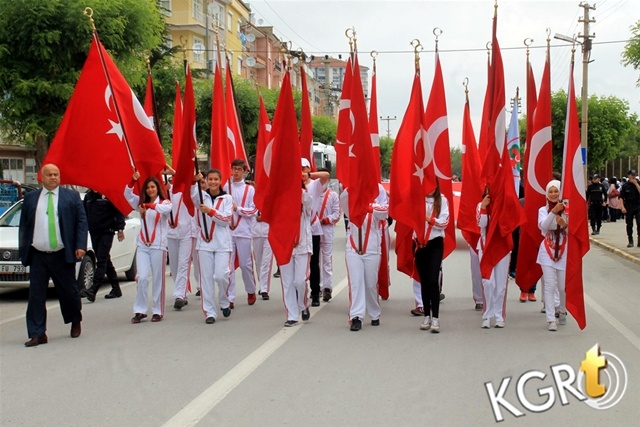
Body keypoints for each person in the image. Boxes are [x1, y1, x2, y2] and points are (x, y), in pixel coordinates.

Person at [19, 163, 88, 347]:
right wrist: (24, 249)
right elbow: (24, 226)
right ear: (42, 177)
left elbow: (81, 222)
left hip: (61, 253)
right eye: (49, 174)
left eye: (56, 174)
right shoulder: (32, 198)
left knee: (69, 292)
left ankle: (75, 320)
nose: (53, 177)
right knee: (36, 295)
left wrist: (81, 245)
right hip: (38, 255)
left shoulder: (71, 197)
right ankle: (37, 333)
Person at [125, 172, 172, 323]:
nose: (150, 190)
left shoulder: (165, 203)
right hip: (143, 245)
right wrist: (133, 180)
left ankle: (158, 310)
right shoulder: (140, 202)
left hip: (158, 245)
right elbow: (126, 193)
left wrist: (147, 206)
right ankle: (140, 310)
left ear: (158, 188)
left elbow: (163, 210)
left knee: (158, 278)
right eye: (148, 188)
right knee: (142, 277)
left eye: (153, 187)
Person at [340, 186, 389, 331]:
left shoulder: (376, 206)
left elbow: (384, 211)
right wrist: (355, 184)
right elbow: (343, 198)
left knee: (370, 284)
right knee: (356, 283)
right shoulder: (351, 207)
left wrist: (367, 207)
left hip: (372, 250)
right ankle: (356, 316)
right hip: (353, 250)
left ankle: (374, 313)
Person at [192, 169, 233, 324]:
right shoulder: (201, 196)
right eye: (210, 179)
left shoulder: (227, 198)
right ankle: (209, 312)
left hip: (222, 243)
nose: (213, 182)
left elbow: (225, 219)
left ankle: (224, 300)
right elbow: (193, 193)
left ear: (220, 180)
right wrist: (195, 180)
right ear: (206, 181)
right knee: (206, 279)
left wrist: (210, 211)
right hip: (204, 243)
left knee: (221, 276)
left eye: (216, 179)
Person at [223, 159, 258, 307]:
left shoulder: (249, 189)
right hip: (228, 232)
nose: (236, 172)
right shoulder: (225, 186)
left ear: (244, 171)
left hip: (243, 231)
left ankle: (250, 290)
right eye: (234, 169)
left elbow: (253, 211)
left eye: (239, 169)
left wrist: (238, 209)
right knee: (228, 266)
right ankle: (230, 297)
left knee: (245, 264)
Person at [415, 184, 449, 333]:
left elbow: (444, 223)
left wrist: (429, 219)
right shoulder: (417, 200)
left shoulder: (442, 200)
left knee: (433, 280)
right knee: (423, 282)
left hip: (435, 244)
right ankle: (426, 316)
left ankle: (436, 318)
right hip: (420, 244)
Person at [81, 190, 126, 302]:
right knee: (105, 260)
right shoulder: (88, 197)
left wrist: (120, 229)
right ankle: (116, 288)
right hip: (94, 232)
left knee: (101, 260)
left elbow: (119, 212)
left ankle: (93, 289)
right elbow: (84, 214)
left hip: (107, 232)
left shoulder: (108, 196)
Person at [280, 182, 313, 327]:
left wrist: (297, 190)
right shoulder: (280, 202)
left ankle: (303, 304)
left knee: (299, 281)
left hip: (302, 246)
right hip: (284, 246)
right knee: (287, 283)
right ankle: (292, 315)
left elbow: (308, 203)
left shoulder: (304, 201)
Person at [536, 180, 568, 331]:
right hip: (547, 251)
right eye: (551, 191)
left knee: (562, 286)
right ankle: (550, 319)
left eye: (556, 191)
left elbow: (574, 230)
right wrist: (554, 212)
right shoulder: (543, 210)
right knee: (549, 285)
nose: (554, 194)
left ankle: (562, 308)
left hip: (564, 251)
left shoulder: (568, 209)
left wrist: (565, 223)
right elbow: (543, 226)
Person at [477, 187, 510, 329]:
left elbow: (508, 224)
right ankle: (487, 315)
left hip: (502, 248)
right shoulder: (480, 205)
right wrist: (484, 207)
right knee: (488, 282)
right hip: (485, 248)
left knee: (501, 284)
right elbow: (481, 224)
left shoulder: (505, 206)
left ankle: (499, 315)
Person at [302, 159, 331, 307]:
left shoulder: (314, 185)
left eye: (304, 168)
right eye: (299, 169)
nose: (302, 171)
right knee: (300, 264)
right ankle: (300, 293)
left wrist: (309, 174)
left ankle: (315, 294)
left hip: (313, 229)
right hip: (299, 230)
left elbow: (326, 175)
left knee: (314, 263)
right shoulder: (294, 185)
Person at [167, 181, 195, 310]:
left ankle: (179, 295)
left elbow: (196, 197)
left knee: (184, 263)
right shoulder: (167, 189)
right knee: (174, 265)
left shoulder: (189, 189)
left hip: (187, 232)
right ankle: (182, 291)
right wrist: (165, 191)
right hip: (171, 232)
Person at [316, 171, 340, 302]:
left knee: (326, 260)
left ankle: (327, 287)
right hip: (314, 231)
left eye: (324, 179)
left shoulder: (333, 195)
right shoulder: (312, 193)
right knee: (315, 261)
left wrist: (325, 220)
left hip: (327, 230)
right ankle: (317, 287)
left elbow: (337, 214)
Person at [252, 210, 273, 300]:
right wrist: (255, 216)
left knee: (266, 262)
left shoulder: (271, 197)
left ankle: (264, 289)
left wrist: (265, 217)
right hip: (256, 233)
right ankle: (262, 283)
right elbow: (249, 210)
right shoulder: (252, 198)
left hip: (269, 233)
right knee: (259, 262)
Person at [620, 169, 640, 247]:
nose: (633, 176)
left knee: (639, 223)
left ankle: (639, 240)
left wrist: (636, 184)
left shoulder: (638, 183)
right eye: (632, 175)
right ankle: (630, 240)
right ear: (628, 176)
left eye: (634, 175)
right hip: (629, 206)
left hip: (638, 206)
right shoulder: (625, 186)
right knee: (629, 224)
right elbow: (621, 197)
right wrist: (622, 207)